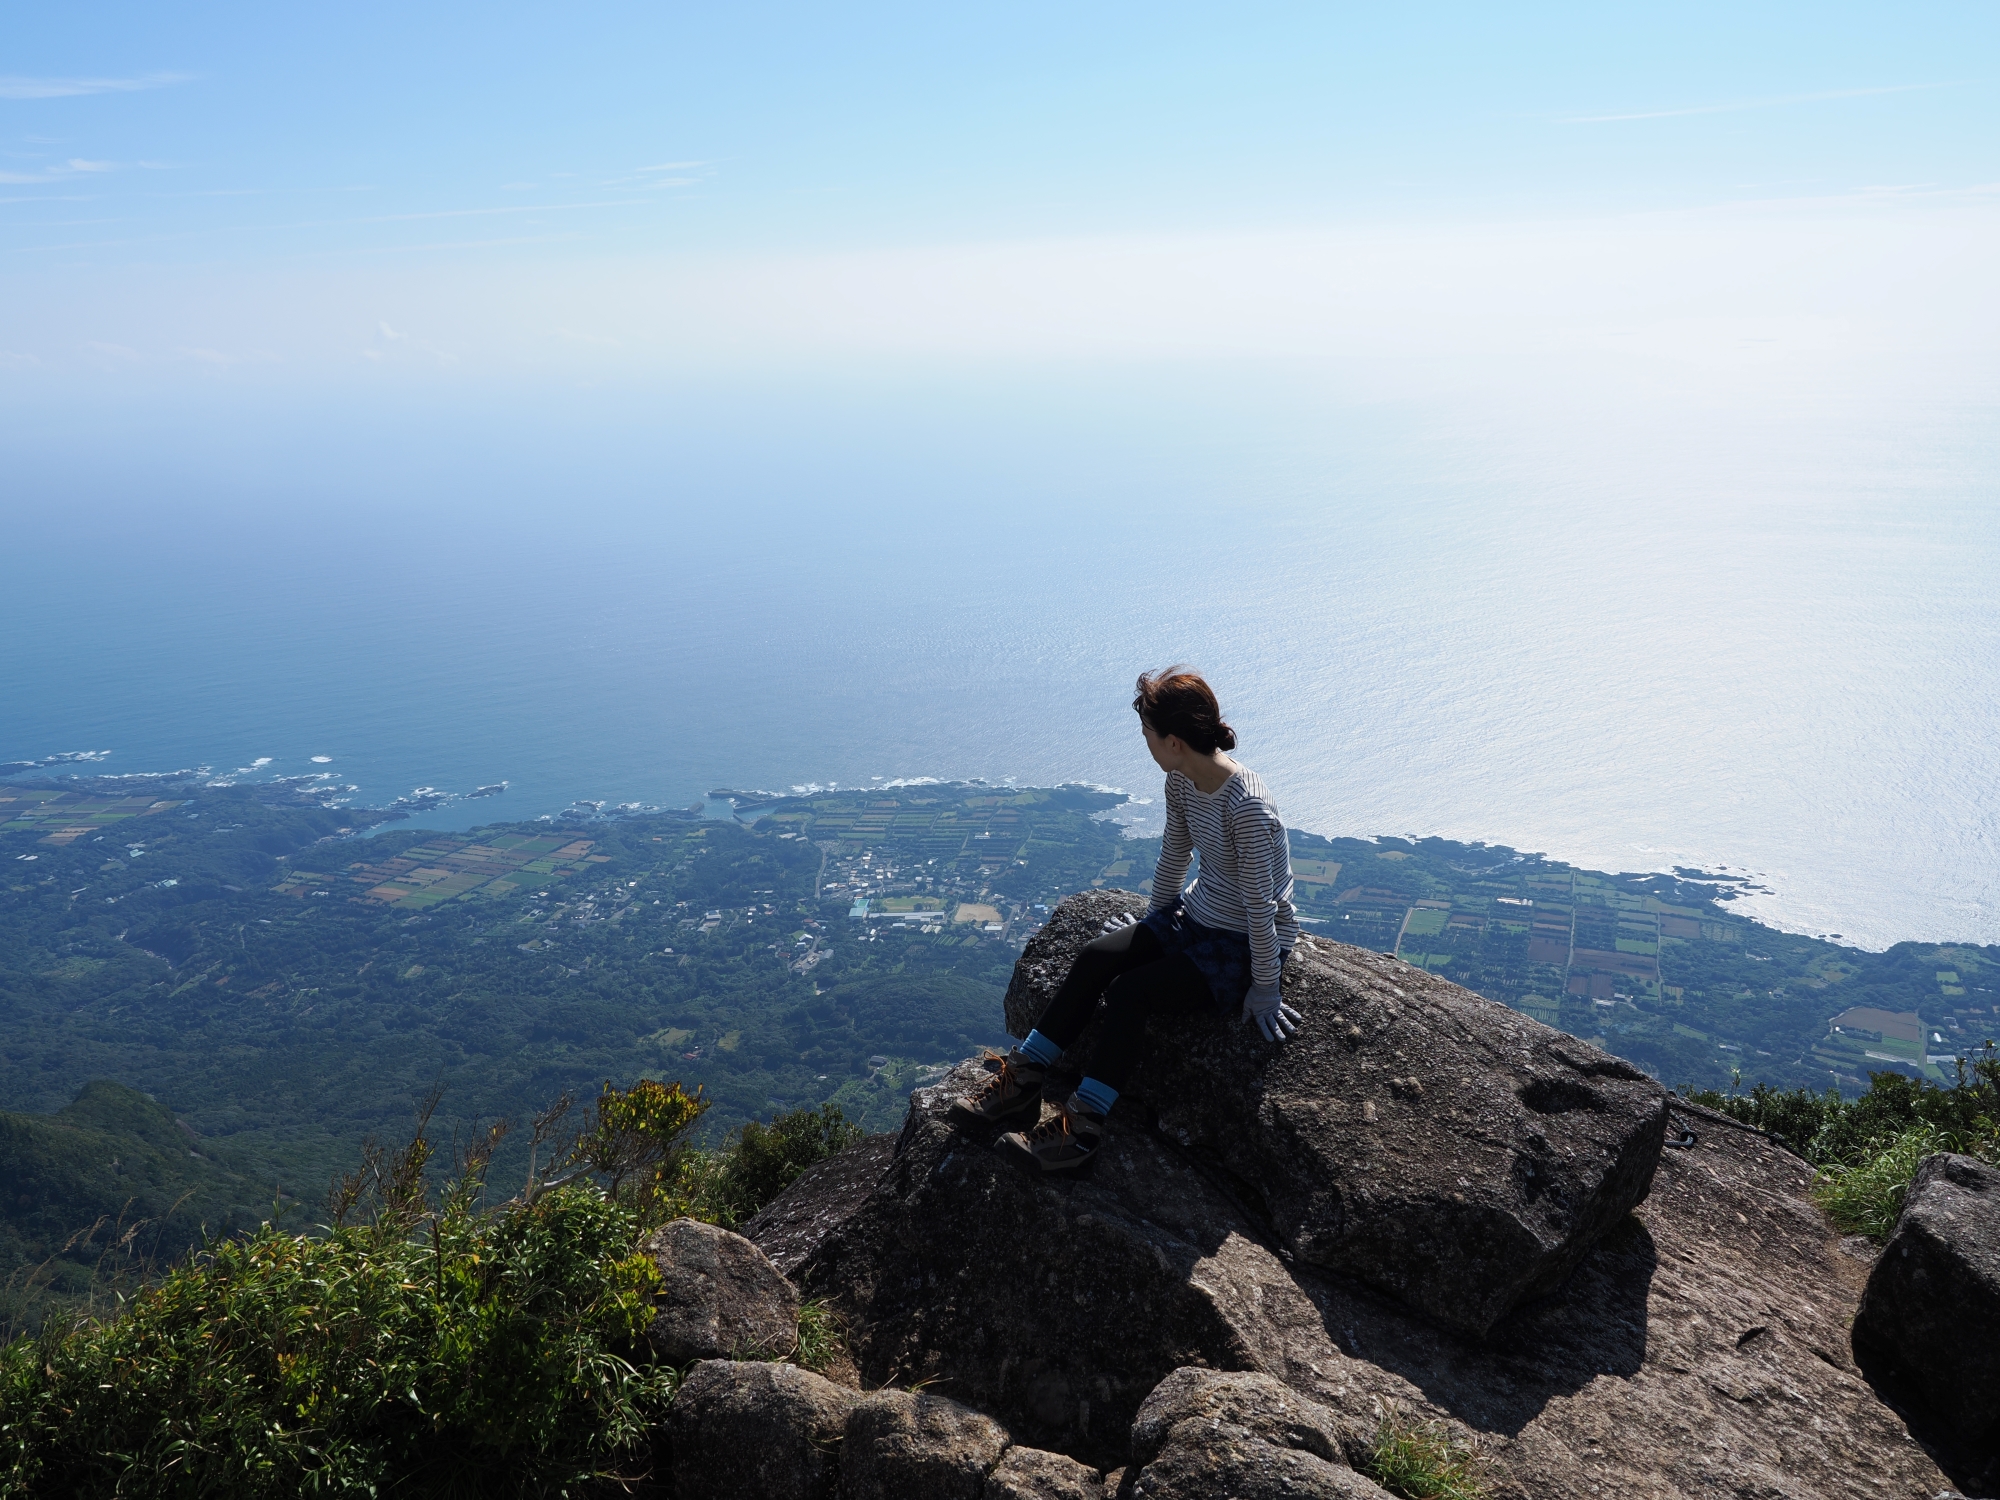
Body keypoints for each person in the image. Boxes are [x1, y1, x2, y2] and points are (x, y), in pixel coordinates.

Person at [953, 666, 1303, 1173]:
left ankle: (1084, 1128)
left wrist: (1266, 986)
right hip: (1196, 913)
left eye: (1148, 735)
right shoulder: (1181, 781)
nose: (1145, 744)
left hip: (1240, 942)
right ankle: (1024, 1081)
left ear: (1175, 741)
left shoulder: (1247, 808)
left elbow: (1261, 907)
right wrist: (1153, 925)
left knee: (1130, 992)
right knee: (1097, 956)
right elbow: (1175, 854)